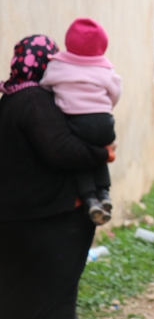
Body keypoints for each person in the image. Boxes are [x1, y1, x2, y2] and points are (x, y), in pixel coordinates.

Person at [0, 35, 114, 319]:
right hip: (49, 223)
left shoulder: (9, 98)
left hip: (17, 221)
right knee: (54, 301)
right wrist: (103, 153)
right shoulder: (35, 100)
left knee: (18, 297)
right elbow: (62, 150)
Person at [40, 18, 122, 225]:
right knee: (99, 152)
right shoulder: (106, 69)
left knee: (81, 157)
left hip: (77, 122)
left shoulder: (57, 65)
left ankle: (89, 198)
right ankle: (104, 193)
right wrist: (104, 108)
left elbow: (46, 86)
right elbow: (115, 92)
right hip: (104, 122)